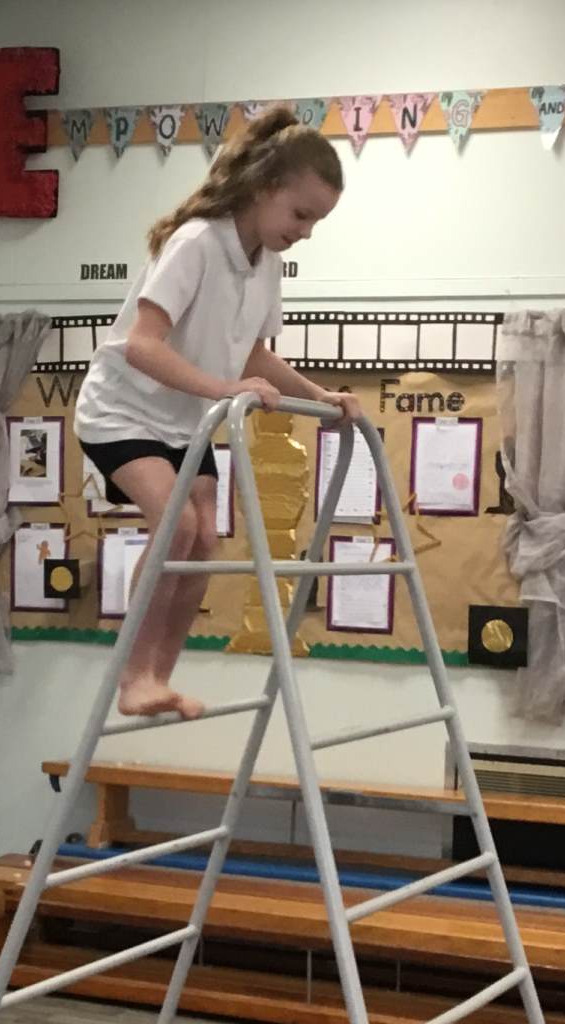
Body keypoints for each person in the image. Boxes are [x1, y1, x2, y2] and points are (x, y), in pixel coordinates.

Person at [76, 103, 361, 719]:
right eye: (301, 214)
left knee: (205, 539)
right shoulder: (197, 242)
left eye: (317, 221)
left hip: (185, 420)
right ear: (263, 188)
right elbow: (141, 345)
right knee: (177, 526)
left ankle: (159, 677)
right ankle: (133, 677)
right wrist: (224, 388)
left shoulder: (266, 264)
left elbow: (254, 352)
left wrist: (319, 395)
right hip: (122, 411)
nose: (306, 231)